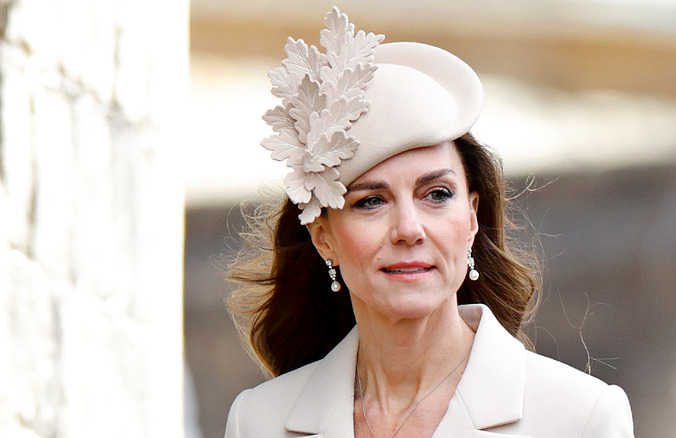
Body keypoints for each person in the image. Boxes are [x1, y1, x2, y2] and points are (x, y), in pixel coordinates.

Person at [224, 7, 634, 438]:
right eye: (371, 201)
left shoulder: (581, 418)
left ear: (472, 216)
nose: (409, 228)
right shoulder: (258, 421)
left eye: (436, 195)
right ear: (323, 237)